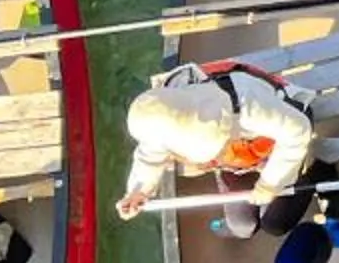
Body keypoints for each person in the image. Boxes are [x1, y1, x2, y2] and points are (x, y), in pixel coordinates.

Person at [114, 64, 322, 236]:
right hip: (239, 162)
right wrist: (137, 191)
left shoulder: (250, 107)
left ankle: (313, 171)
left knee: (275, 224)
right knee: (242, 226)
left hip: (279, 140)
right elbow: (148, 158)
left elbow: (298, 129)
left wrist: (271, 183)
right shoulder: (162, 121)